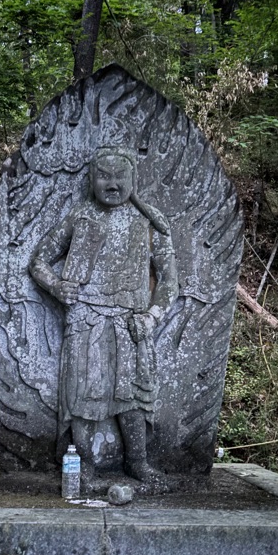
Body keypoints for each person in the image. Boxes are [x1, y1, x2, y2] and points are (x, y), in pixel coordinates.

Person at [30, 147, 178, 485]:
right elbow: (38, 261)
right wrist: (57, 286)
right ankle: (83, 463)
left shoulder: (149, 220)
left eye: (119, 176)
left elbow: (169, 280)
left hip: (130, 318)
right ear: (91, 180)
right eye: (104, 176)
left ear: (133, 179)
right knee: (82, 393)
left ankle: (137, 461)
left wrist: (152, 317)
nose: (112, 184)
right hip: (85, 317)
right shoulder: (80, 217)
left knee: (133, 394)